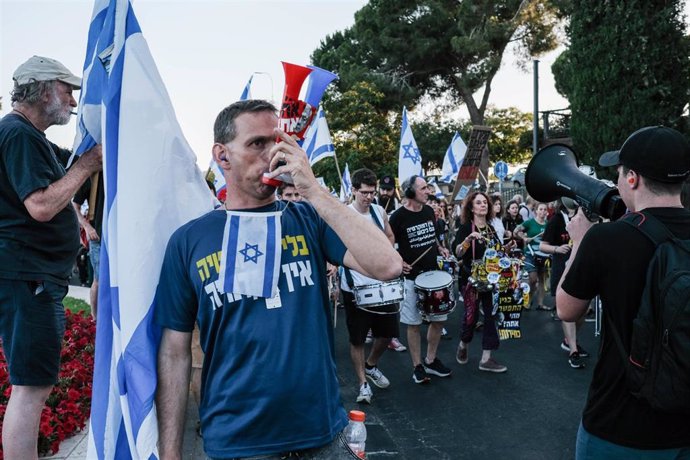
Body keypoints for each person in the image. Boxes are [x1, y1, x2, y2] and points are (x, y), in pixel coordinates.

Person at [154, 100, 402, 459]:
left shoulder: (308, 219)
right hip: (238, 443)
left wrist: (314, 191)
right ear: (222, 157)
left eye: (279, 143)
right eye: (257, 144)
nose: (272, 154)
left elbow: (388, 266)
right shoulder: (189, 241)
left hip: (322, 435)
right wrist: (170, 453)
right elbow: (174, 352)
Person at [557, 126, 690, 458]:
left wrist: (579, 242)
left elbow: (566, 310)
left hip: (620, 426)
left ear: (632, 178)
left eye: (618, 172)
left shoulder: (606, 239)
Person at [0, 55, 102, 458]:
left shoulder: (30, 137)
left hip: (34, 277)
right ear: (43, 89)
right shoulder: (18, 134)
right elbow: (41, 205)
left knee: (33, 384)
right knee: (31, 387)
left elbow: (68, 168)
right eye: (68, 89)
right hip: (29, 277)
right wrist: (87, 166)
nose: (74, 101)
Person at [340, 168, 400, 404]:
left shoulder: (378, 211)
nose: (369, 197)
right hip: (354, 286)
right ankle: (363, 383)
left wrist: (386, 254)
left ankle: (372, 365)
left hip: (381, 284)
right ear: (353, 190)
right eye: (364, 192)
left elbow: (390, 237)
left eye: (372, 192)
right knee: (357, 338)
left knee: (386, 335)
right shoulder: (343, 214)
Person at [389, 175, 452, 384]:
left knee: (439, 319)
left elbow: (433, 236)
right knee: (413, 323)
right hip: (411, 279)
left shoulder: (428, 211)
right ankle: (417, 366)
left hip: (433, 276)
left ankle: (431, 360)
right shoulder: (397, 217)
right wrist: (399, 261)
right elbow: (388, 245)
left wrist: (440, 247)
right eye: (424, 188)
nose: (428, 191)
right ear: (409, 192)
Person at [454, 191, 508, 373]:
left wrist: (508, 248)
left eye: (485, 202)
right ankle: (463, 343)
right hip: (471, 279)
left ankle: (486, 358)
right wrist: (468, 240)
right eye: (479, 203)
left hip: (491, 280)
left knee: (491, 317)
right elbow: (458, 252)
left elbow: (498, 252)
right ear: (471, 207)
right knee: (472, 317)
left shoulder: (491, 229)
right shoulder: (465, 228)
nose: (483, 205)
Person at [539, 198, 589, 369]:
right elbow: (542, 246)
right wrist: (556, 249)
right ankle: (573, 350)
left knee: (583, 310)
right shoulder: (557, 220)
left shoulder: (585, 217)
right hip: (562, 269)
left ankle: (569, 340)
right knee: (567, 309)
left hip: (582, 268)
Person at [72, 174, 103, 320]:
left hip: (120, 237)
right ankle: (95, 320)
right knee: (99, 279)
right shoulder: (94, 176)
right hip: (98, 236)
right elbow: (74, 206)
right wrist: (87, 227)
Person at [516, 202, 550, 310]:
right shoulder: (529, 223)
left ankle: (540, 304)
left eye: (545, 209)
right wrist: (524, 238)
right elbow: (516, 231)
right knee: (533, 279)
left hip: (544, 255)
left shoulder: (548, 224)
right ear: (536, 211)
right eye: (541, 209)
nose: (543, 212)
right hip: (530, 254)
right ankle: (528, 299)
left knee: (542, 279)